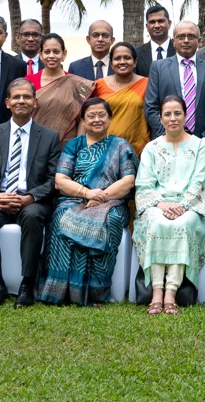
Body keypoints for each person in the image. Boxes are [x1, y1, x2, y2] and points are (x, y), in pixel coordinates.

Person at [0, 79, 66, 308]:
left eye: (26, 97)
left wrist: (30, 197)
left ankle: (27, 284)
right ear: (7, 103)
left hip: (32, 199)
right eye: (16, 97)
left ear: (35, 103)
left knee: (33, 217)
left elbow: (54, 178)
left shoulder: (50, 136)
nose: (21, 101)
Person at [41, 98, 138, 306]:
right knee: (61, 218)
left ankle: (96, 291)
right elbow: (60, 180)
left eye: (102, 115)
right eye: (91, 116)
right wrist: (87, 193)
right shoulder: (73, 146)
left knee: (109, 222)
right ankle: (61, 290)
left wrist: (101, 196)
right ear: (83, 121)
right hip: (75, 199)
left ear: (110, 119)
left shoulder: (120, 146)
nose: (97, 119)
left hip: (111, 202)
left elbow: (128, 180)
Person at [133, 96, 205, 315]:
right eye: (167, 114)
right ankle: (157, 292)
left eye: (177, 113)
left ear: (185, 115)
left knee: (182, 224)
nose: (173, 118)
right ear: (160, 118)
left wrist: (184, 206)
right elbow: (144, 183)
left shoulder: (199, 147)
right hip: (157, 205)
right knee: (157, 224)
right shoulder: (152, 148)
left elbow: (200, 181)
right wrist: (161, 204)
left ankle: (171, 292)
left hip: (190, 207)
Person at [146, 20, 205, 138]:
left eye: (191, 36)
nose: (186, 40)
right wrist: (167, 135)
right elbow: (151, 107)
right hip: (166, 141)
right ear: (173, 41)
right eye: (181, 37)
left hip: (201, 142)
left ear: (199, 41)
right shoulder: (158, 67)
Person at [25, 33, 96, 141]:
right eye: (47, 52)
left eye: (56, 52)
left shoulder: (75, 83)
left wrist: (78, 147)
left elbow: (82, 118)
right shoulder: (29, 81)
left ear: (64, 54)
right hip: (35, 142)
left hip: (67, 146)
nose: (51, 56)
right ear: (40, 54)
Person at [93, 42, 151, 153]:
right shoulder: (99, 85)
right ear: (111, 64)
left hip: (138, 149)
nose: (122, 62)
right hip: (104, 148)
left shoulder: (147, 84)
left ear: (135, 62)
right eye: (117, 58)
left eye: (127, 58)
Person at [133, 4, 176, 77]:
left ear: (169, 23)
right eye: (152, 22)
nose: (156, 26)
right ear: (147, 26)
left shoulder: (179, 51)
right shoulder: (137, 54)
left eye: (160, 21)